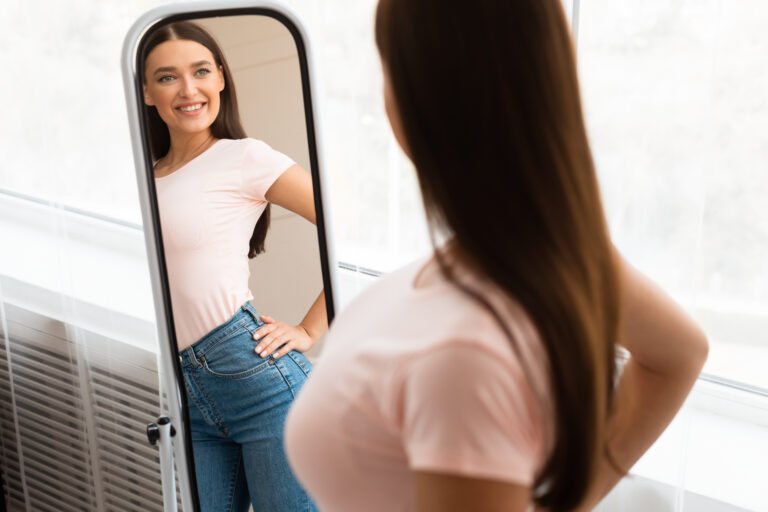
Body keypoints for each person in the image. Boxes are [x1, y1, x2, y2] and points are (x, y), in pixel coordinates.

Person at [284, 1, 709, 511]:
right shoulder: (537, 246)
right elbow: (680, 351)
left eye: (386, 63)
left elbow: (678, 355)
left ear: (421, 92)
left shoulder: (465, 355)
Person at [141, 21, 323, 512]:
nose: (188, 89)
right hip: (185, 387)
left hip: (256, 377)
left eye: (201, 71)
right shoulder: (145, 179)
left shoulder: (244, 158)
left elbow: (342, 228)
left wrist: (309, 329)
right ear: (147, 92)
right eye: (167, 77)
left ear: (221, 77)